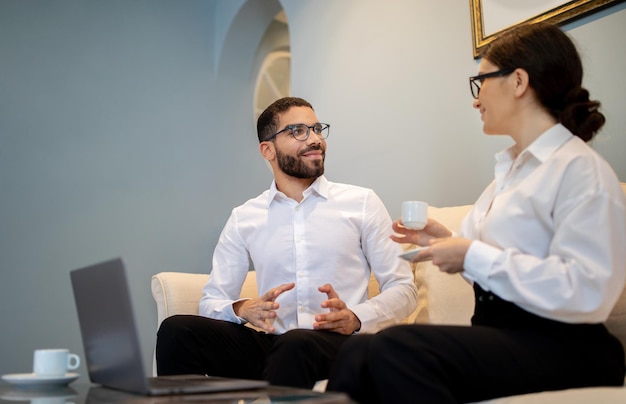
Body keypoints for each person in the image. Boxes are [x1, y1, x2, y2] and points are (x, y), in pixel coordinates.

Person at [327, 22, 626, 403]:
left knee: (397, 347)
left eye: (480, 81)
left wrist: (471, 254)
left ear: (518, 81)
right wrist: (447, 245)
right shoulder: (507, 176)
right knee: (356, 352)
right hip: (504, 338)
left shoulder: (580, 169)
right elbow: (497, 268)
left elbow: (587, 291)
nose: (475, 98)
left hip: (567, 346)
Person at [156, 96, 418, 389]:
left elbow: (404, 290)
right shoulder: (245, 217)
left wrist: (355, 317)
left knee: (296, 344)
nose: (315, 139)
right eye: (298, 131)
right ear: (267, 149)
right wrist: (244, 309)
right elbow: (212, 302)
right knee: (177, 330)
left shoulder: (361, 203)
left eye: (317, 129)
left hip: (341, 346)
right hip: (274, 345)